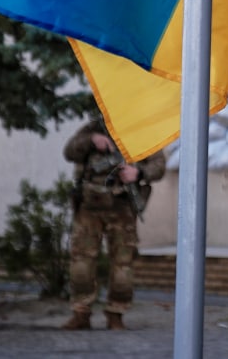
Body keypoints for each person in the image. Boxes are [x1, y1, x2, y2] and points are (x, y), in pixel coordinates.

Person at [61, 117, 166, 331]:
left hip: (122, 207)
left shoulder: (142, 129)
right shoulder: (95, 127)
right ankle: (81, 312)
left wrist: (139, 173)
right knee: (81, 262)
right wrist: (92, 140)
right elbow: (69, 151)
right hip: (90, 206)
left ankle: (116, 313)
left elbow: (159, 165)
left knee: (122, 265)